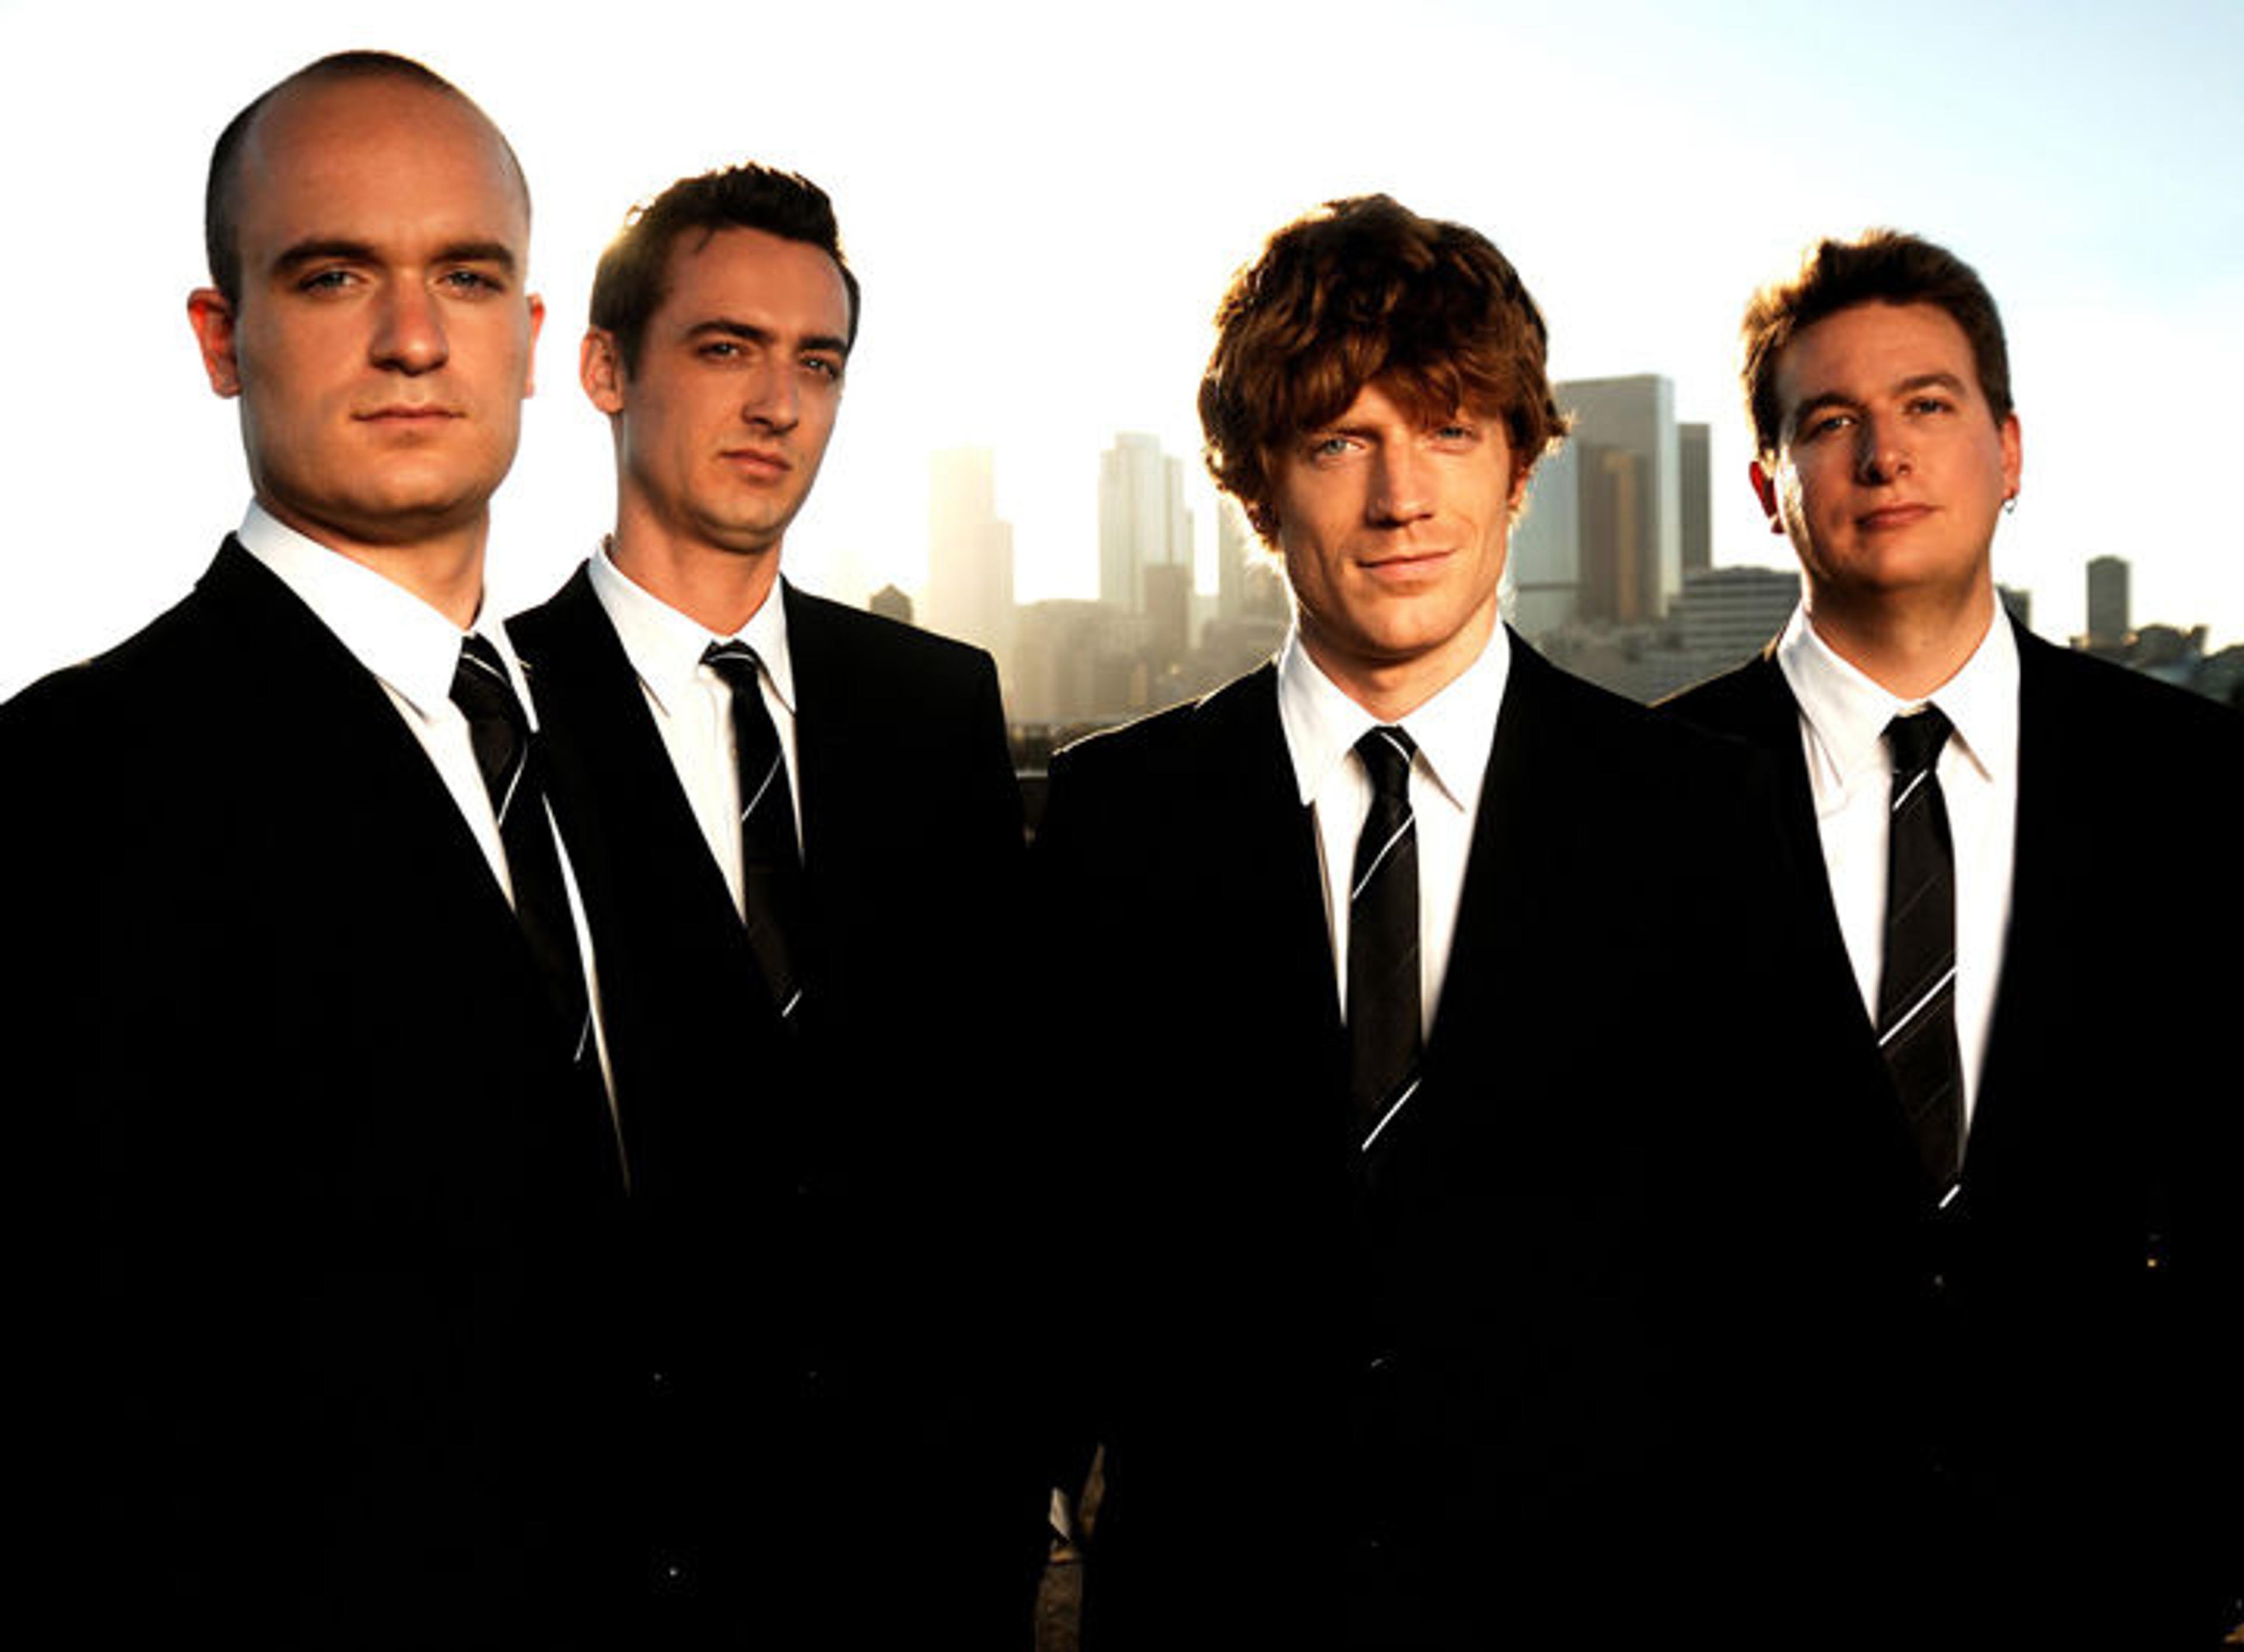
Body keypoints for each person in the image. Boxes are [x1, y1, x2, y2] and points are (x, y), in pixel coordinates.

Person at [1034, 194, 1892, 1647]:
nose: (1399, 497)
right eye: (1337, 440)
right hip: (1213, 1622)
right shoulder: (1119, 816)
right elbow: (1034, 1255)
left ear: (1520, 467)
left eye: (1445, 431)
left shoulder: (1702, 814)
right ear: (1256, 486)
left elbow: (1826, 1269)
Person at [1, 51, 625, 1644]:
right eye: (335, 272)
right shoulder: (73, 781)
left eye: (467, 277)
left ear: (534, 340)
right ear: (223, 339)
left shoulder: (605, 752)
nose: (414, 338)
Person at [1662, 228, 2243, 1646]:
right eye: (1832, 423)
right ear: (1769, 489)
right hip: (1737, 1580)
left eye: (1929, 406)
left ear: (2010, 448)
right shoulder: (1638, 798)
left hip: (2117, 1571)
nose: (1885, 456)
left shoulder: (2195, 780)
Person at [506, 164, 1041, 1645]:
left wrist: (1015, 1460)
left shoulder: (940, 702)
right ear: (605, 368)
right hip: (629, 1566)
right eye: (727, 348)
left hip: (932, 1557)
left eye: (818, 362)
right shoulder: (497, 714)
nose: (779, 403)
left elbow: (1010, 1108)